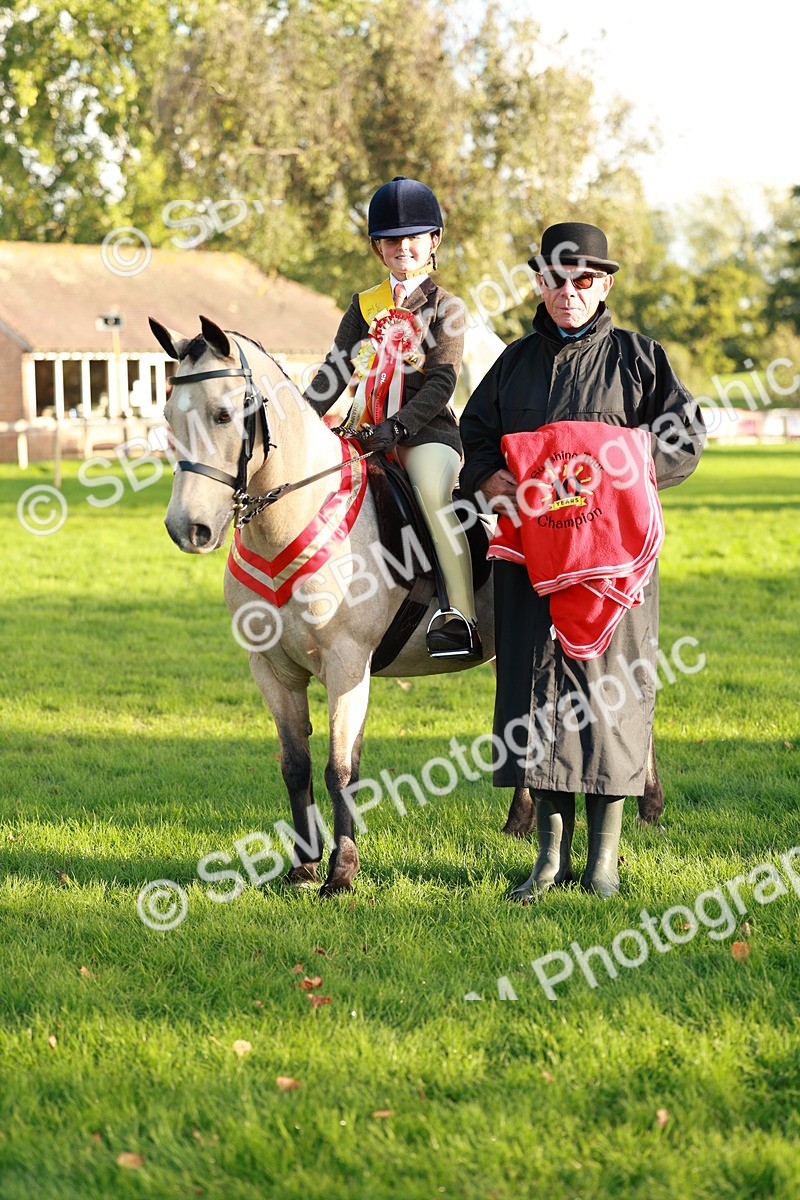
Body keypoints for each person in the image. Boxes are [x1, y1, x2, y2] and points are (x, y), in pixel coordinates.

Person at [459, 221, 706, 897]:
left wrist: (630, 461)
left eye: (585, 280)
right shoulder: (512, 364)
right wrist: (488, 476)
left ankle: (601, 864)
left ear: (605, 284)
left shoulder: (640, 359)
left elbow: (685, 434)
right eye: (557, 280)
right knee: (538, 697)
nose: (570, 293)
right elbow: (474, 432)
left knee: (608, 703)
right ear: (539, 283)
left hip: (612, 572)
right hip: (530, 567)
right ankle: (548, 861)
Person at [303, 175, 480, 659]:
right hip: (364, 429)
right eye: (392, 239)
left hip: (426, 434)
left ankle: (459, 616)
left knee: (430, 492)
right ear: (378, 248)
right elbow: (335, 370)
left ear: (433, 241)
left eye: (413, 237)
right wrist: (300, 417)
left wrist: (398, 428)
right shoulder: (363, 306)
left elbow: (443, 381)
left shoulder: (447, 307)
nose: (403, 246)